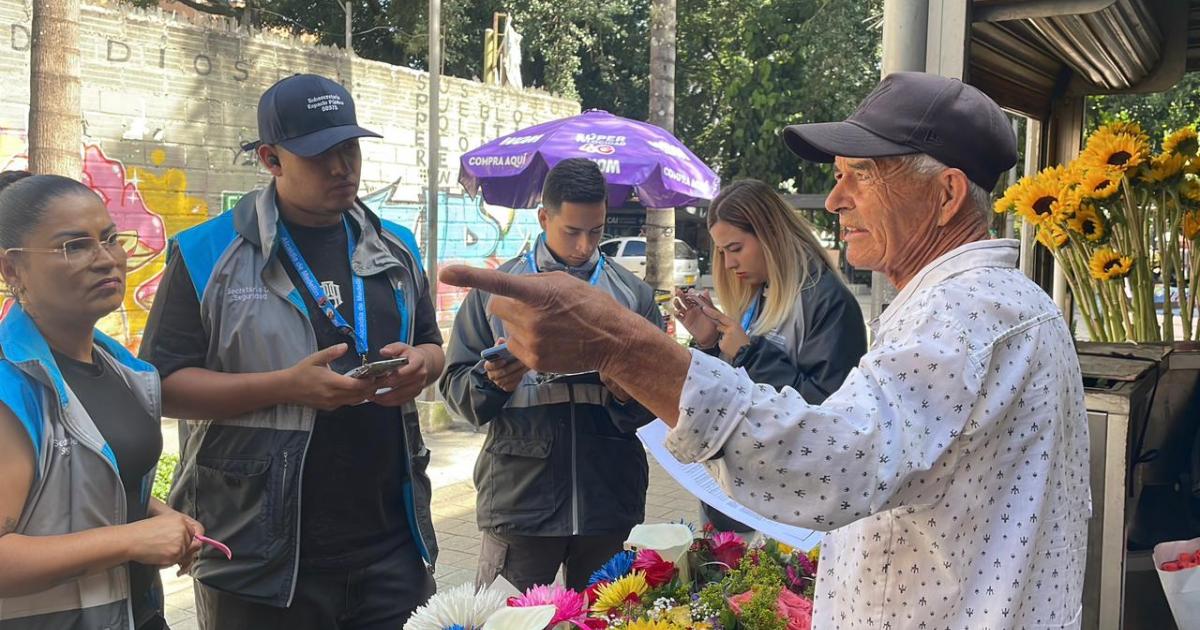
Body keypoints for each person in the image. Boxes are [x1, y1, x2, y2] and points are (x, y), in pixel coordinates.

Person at [439, 72, 1091, 628]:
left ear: (947, 194)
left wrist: (622, 348)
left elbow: (826, 466)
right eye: (838, 177)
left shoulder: (964, 317)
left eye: (859, 176)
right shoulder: (995, 307)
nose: (835, 199)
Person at [139, 74, 442, 629]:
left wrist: (424, 365)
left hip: (393, 549)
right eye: (320, 154)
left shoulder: (395, 246)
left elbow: (432, 343)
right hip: (258, 561)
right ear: (271, 159)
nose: (341, 168)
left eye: (349, 149)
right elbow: (163, 387)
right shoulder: (206, 254)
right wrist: (286, 388)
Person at [439, 158, 663, 592]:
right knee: (508, 622)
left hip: (608, 500)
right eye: (572, 231)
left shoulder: (632, 296)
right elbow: (455, 388)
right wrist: (491, 382)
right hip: (520, 502)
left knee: (607, 620)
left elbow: (658, 399)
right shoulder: (496, 289)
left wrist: (625, 391)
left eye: (596, 231)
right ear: (544, 217)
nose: (584, 246)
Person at [0, 174, 203, 630]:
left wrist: (160, 517)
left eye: (110, 238)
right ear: (12, 269)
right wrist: (131, 541)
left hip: (137, 613)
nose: (106, 259)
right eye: (74, 246)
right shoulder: (11, 386)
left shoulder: (123, 369)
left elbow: (97, 480)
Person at [674, 179, 867, 534]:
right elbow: (736, 390)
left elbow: (828, 414)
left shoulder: (826, 300)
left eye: (735, 248)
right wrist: (708, 345)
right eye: (721, 253)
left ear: (770, 234)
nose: (729, 264)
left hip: (787, 511)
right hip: (739, 497)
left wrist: (748, 353)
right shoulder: (760, 290)